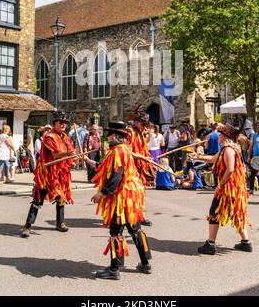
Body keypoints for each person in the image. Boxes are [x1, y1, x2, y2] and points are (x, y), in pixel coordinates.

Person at [91, 120, 152, 280]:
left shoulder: (117, 151)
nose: (107, 138)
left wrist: (102, 193)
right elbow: (109, 168)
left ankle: (114, 269)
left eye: (109, 134)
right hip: (131, 197)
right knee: (135, 230)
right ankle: (145, 264)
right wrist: (92, 162)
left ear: (114, 136)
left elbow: (116, 176)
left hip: (122, 198)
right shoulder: (124, 149)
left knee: (116, 232)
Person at [191, 123, 252, 255]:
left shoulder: (229, 150)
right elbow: (213, 158)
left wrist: (220, 185)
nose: (219, 135)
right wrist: (198, 157)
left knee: (214, 212)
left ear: (226, 137)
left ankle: (211, 244)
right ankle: (246, 243)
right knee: (237, 213)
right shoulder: (227, 148)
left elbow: (230, 170)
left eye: (221, 134)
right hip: (234, 188)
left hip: (229, 188)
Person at [21, 111, 76, 238]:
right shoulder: (49, 137)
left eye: (65, 123)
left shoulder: (66, 138)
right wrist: (68, 154)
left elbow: (70, 154)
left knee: (61, 198)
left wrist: (73, 160)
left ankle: (60, 223)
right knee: (38, 199)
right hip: (47, 173)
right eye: (60, 123)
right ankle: (28, 226)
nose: (63, 125)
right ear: (55, 123)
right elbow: (56, 155)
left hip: (61, 174)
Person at [126, 105, 157, 227]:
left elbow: (143, 149)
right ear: (136, 122)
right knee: (131, 193)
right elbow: (127, 152)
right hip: (130, 168)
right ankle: (131, 216)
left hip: (140, 168)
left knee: (141, 192)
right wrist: (142, 157)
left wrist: (146, 159)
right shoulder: (130, 132)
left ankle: (140, 215)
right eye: (143, 124)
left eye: (146, 125)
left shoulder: (140, 134)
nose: (145, 127)